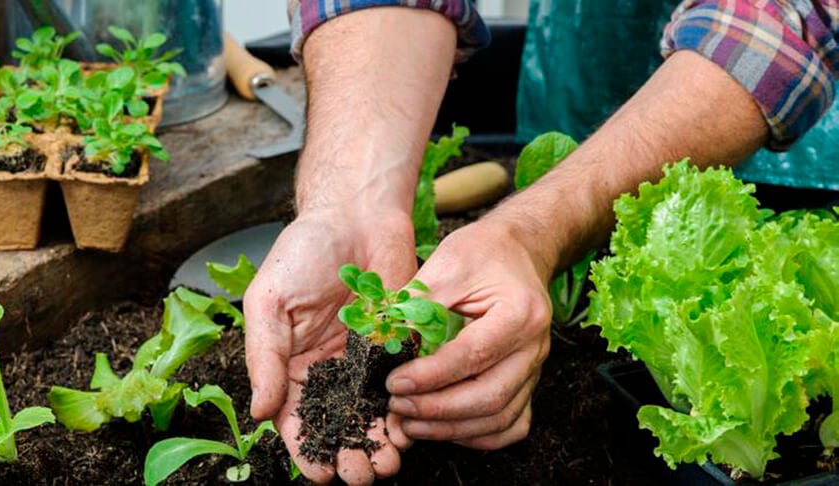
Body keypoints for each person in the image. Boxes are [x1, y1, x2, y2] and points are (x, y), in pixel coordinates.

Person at [243, 1, 839, 484]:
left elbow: (782, 21)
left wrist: (531, 233)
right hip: (584, 80)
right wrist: (351, 202)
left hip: (791, 136)